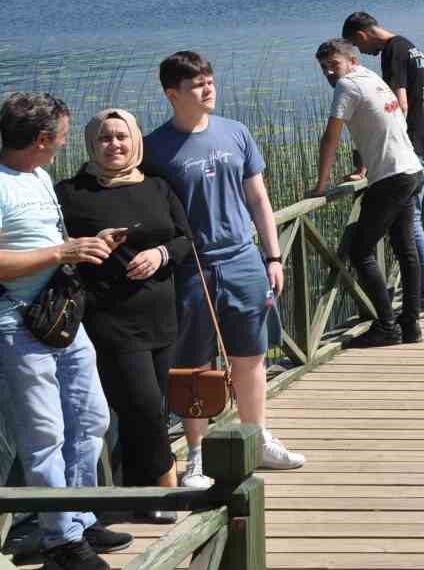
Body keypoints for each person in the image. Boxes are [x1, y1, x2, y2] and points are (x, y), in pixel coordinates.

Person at [142, 51, 305, 487]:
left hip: (242, 260)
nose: (208, 88)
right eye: (197, 84)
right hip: (190, 268)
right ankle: (195, 453)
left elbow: (258, 199)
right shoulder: (153, 148)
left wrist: (273, 255)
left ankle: (258, 438)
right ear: (172, 94)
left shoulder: (236, 132)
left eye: (210, 80)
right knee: (193, 362)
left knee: (251, 356)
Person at [0, 92, 133, 570]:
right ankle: (59, 541)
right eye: (59, 135)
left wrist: (86, 246)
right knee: (44, 434)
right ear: (40, 139)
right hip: (15, 325)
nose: (63, 143)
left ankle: (77, 514)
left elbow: (48, 243)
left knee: (91, 417)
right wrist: (61, 254)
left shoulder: (37, 175)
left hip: (61, 317)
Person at [55, 108, 192, 514]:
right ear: (91, 143)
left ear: (135, 140)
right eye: (104, 138)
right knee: (144, 406)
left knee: (149, 409)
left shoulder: (157, 186)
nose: (114, 145)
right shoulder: (71, 192)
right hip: (109, 318)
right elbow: (54, 248)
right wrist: (85, 245)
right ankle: (168, 488)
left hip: (161, 317)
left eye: (121, 137)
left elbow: (187, 241)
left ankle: (136, 491)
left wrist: (161, 253)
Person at [308, 39, 424, 348]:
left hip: (392, 178)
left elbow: (330, 138)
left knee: (361, 251)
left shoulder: (346, 86)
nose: (330, 73)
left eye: (334, 64)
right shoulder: (373, 79)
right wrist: (361, 169)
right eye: (324, 68)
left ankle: (387, 325)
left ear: (352, 60)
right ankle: (410, 325)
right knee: (405, 248)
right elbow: (376, 124)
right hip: (411, 169)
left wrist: (320, 186)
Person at [341, 12, 424, 316]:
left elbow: (398, 102)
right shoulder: (412, 47)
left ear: (362, 35)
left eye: (356, 46)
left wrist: (372, 153)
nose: (362, 53)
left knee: (413, 222)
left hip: (412, 144)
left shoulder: (392, 51)